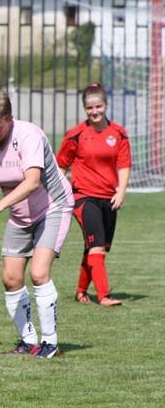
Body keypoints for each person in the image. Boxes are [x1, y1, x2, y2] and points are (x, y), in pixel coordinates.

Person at [0, 90, 74, 359]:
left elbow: (32, 182)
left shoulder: (28, 136)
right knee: (10, 278)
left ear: (9, 118)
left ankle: (50, 343)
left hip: (53, 207)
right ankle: (29, 341)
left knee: (39, 273)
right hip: (20, 216)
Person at [57, 83, 131, 307]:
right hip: (83, 197)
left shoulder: (118, 133)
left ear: (105, 105)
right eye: (90, 108)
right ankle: (104, 296)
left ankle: (81, 292)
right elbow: (61, 166)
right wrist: (58, 194)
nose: (95, 111)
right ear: (84, 109)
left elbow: (124, 164)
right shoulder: (76, 135)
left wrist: (121, 191)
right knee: (97, 246)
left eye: (98, 106)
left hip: (109, 198)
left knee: (96, 247)